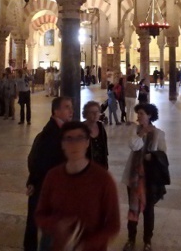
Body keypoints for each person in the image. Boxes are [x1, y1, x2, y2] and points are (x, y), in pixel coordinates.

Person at [35, 121, 120, 251]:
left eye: (79, 138)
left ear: (87, 142)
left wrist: (85, 245)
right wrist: (56, 225)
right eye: (69, 139)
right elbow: (40, 215)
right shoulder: (53, 176)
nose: (74, 144)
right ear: (62, 144)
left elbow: (113, 225)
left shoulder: (103, 179)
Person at [24, 96, 74, 251]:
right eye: (66, 107)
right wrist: (33, 181)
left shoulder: (61, 130)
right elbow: (38, 161)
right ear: (56, 111)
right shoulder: (50, 134)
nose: (71, 110)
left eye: (71, 107)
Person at [121, 103, 169, 251]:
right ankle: (131, 238)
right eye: (138, 113)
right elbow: (133, 146)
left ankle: (147, 241)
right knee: (133, 208)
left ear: (149, 115)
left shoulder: (159, 134)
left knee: (148, 210)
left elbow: (163, 155)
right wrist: (141, 134)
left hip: (149, 178)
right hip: (134, 177)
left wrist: (153, 157)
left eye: (141, 113)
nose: (138, 116)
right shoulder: (135, 130)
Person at [82, 101, 109, 169]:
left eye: (97, 112)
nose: (95, 114)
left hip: (101, 166)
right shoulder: (81, 128)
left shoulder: (100, 126)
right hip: (86, 167)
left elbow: (104, 148)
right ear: (86, 114)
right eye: (92, 112)